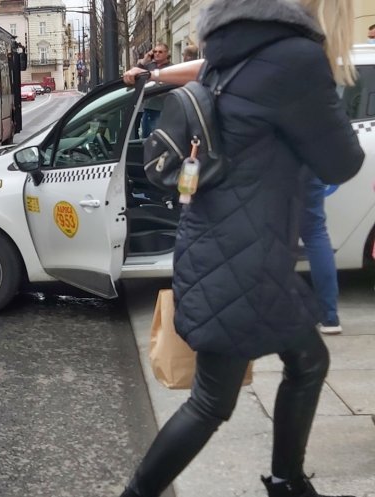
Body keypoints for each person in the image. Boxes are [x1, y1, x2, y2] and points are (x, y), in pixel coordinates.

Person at [119, 1, 365, 496]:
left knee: (308, 361)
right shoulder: (296, 57)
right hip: (244, 261)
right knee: (212, 402)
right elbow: (341, 162)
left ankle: (286, 480)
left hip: (225, 244)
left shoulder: (233, 48)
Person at [301, 174, 342, 334]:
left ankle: (272, 315)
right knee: (315, 233)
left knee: (274, 237)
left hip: (274, 168)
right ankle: (330, 317)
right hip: (310, 169)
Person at [137, 43, 172, 137]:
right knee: (145, 139)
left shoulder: (171, 68)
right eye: (155, 51)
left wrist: (151, 85)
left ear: (167, 54)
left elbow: (166, 88)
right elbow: (135, 74)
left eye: (160, 52)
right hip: (147, 108)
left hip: (161, 109)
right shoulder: (149, 66)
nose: (157, 54)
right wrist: (144, 60)